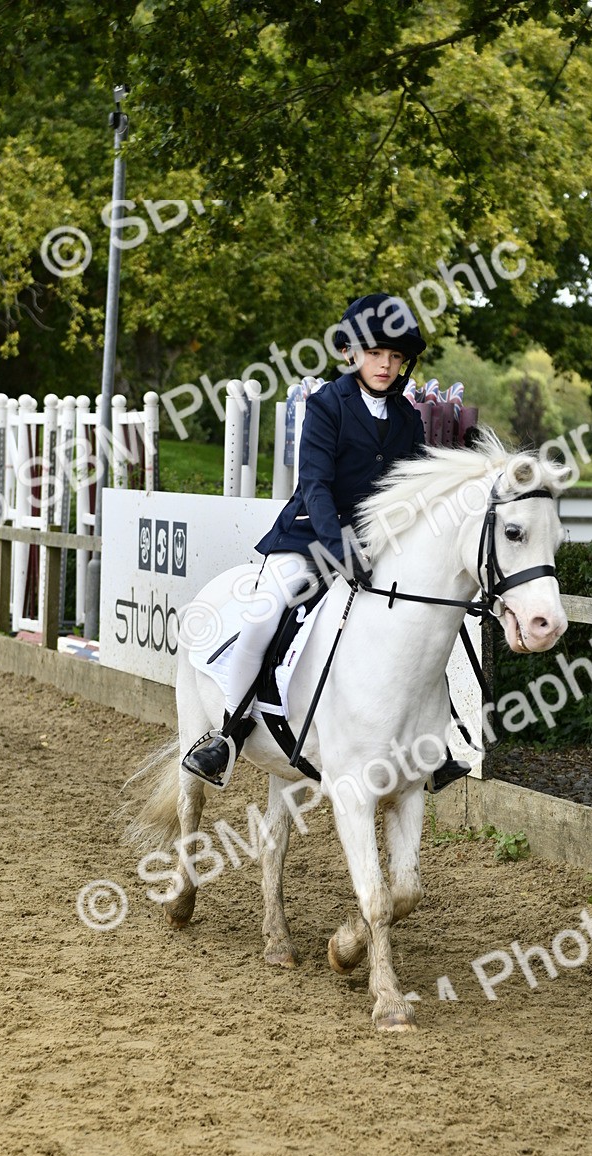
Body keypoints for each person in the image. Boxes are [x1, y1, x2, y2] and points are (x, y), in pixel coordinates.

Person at [182, 293, 469, 792]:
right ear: (350, 353)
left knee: (419, 623)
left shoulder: (406, 418)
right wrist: (338, 551)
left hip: (377, 547)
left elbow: (415, 489)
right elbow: (315, 486)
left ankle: (433, 741)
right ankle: (228, 731)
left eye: (395, 356)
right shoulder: (325, 405)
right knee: (263, 616)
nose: (386, 365)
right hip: (310, 539)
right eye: (375, 353)